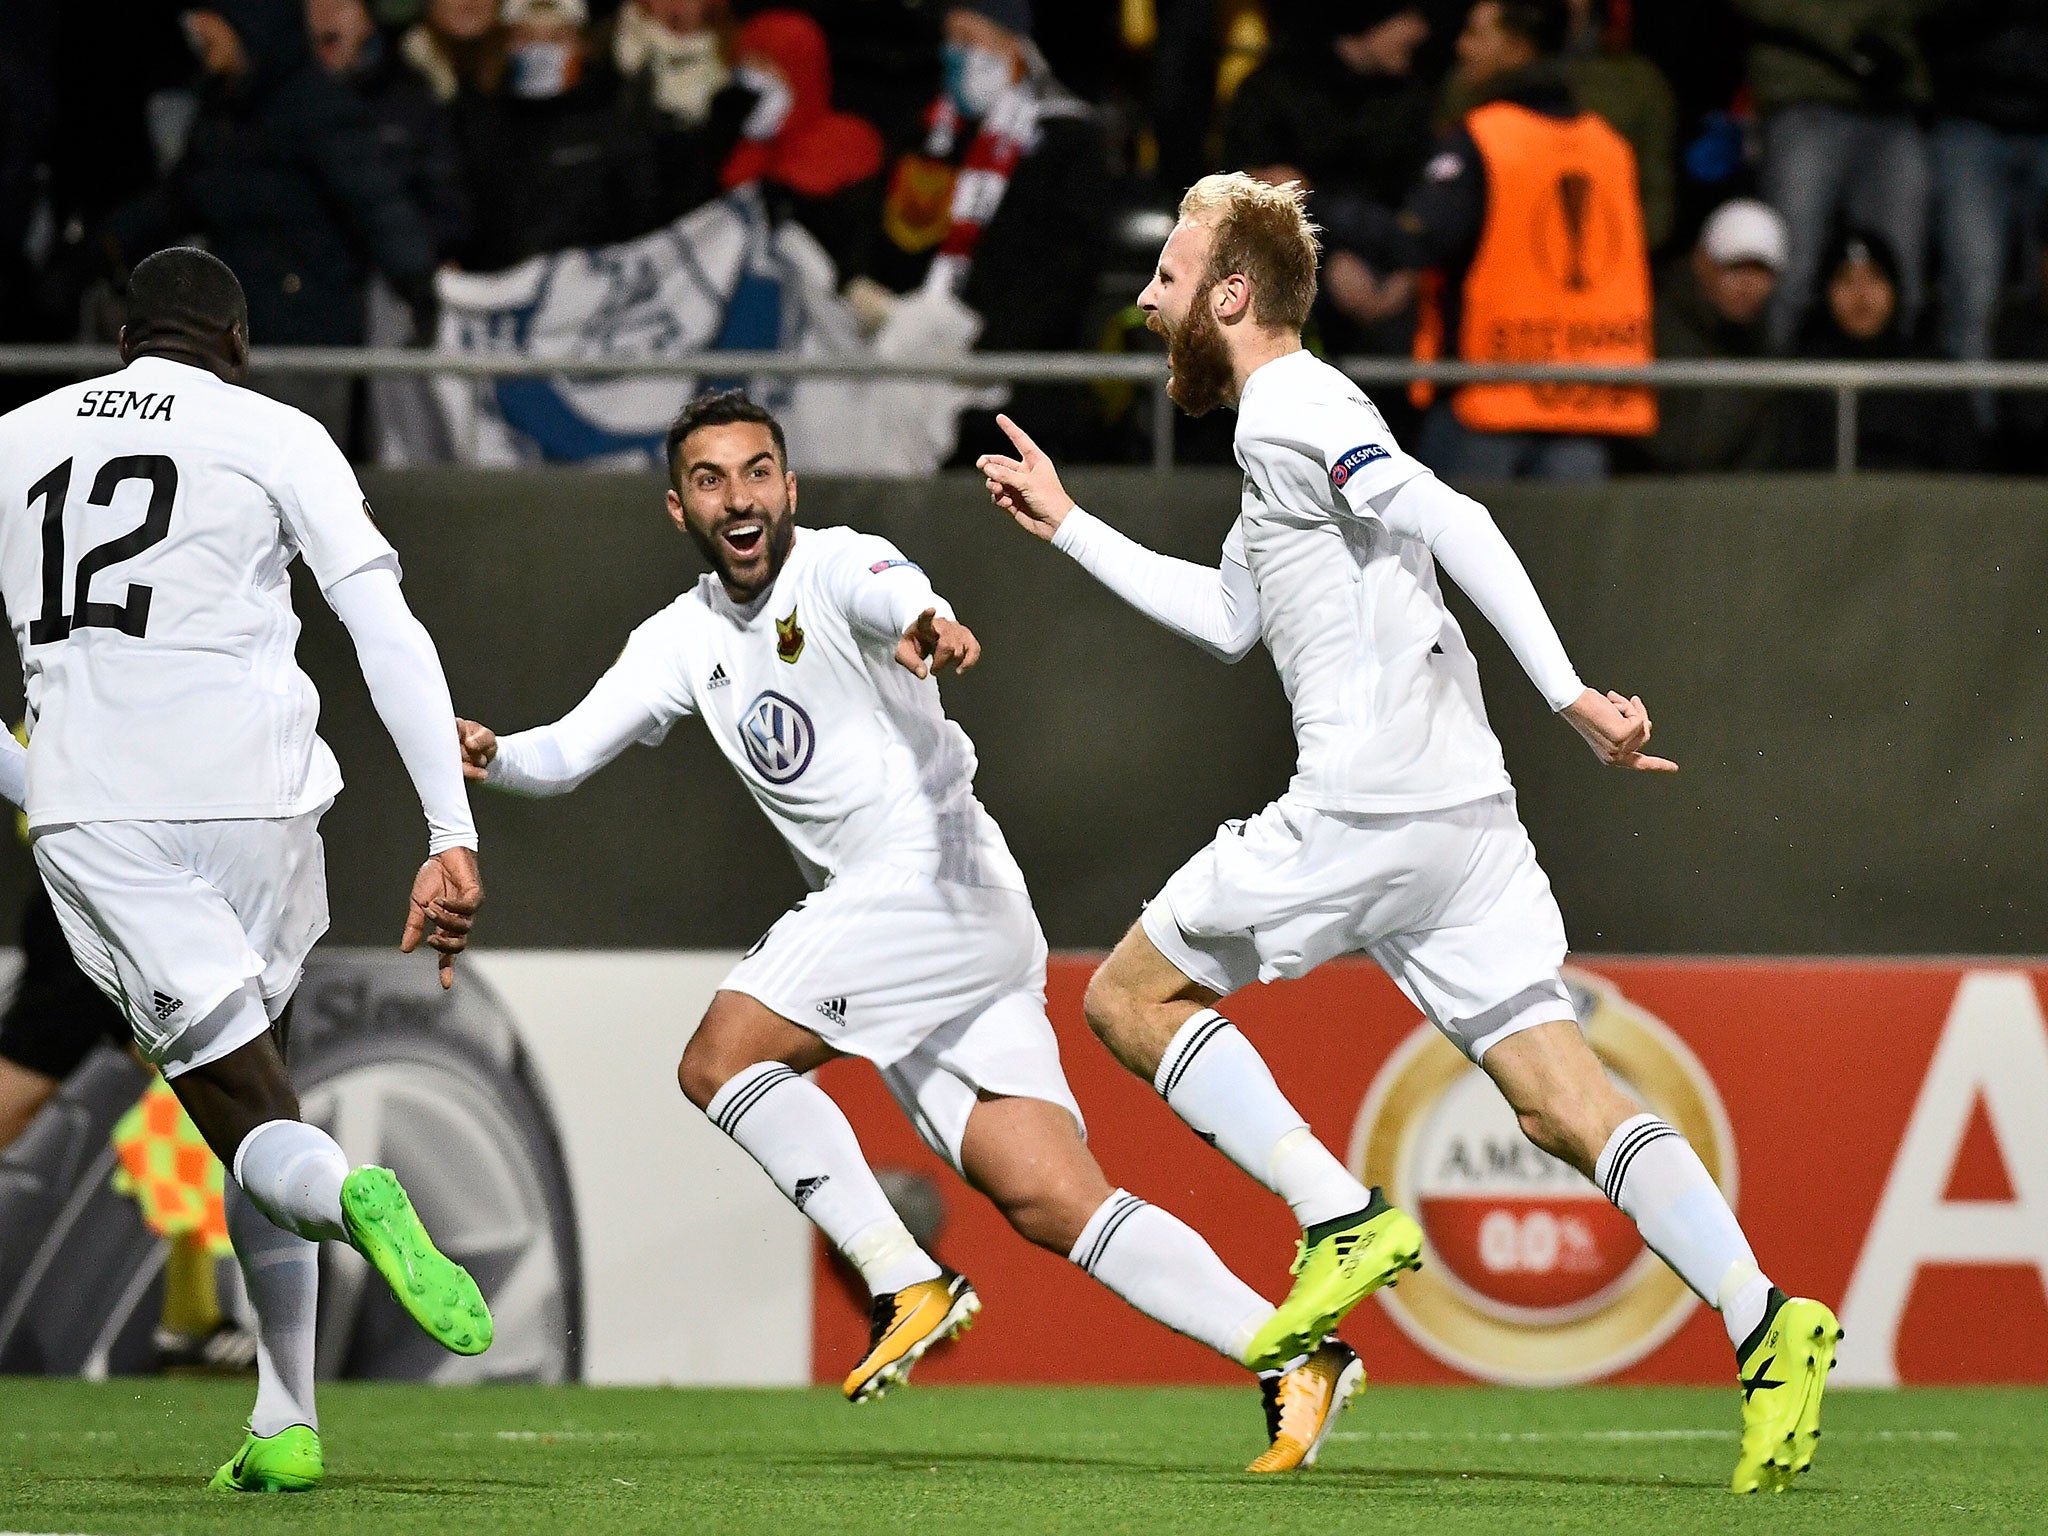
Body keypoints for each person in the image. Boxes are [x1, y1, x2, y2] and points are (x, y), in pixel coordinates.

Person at [976, 173, 1841, 1496]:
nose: (1146, 304)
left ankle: (1340, 1214)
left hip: (1369, 797)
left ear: (1229, 296)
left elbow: (1457, 515)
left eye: (1166, 278)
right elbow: (1227, 615)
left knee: (1128, 997)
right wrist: (1073, 526)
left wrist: (1570, 694)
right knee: (1564, 1105)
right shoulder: (1292, 423)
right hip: (1461, 820)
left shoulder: (1290, 407)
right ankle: (1767, 1321)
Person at [457, 389, 1359, 1475]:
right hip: (941, 923)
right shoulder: (679, 638)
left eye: (755, 473)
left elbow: (896, 596)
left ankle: (902, 1277)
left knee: (718, 1059)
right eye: (710, 480)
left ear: (789, 488)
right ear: (676, 508)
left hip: (925, 882)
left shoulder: (837, 564)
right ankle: (1291, 1356)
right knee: (1048, 1195)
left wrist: (928, 623)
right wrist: (497, 755)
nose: (737, 497)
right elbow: (565, 751)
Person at [0, 247, 489, 1492]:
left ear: (122, 339)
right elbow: (386, 627)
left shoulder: (15, 438)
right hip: (266, 807)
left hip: (109, 816)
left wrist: (40, 778)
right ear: (238, 339)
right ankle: (284, 1416)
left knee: (255, 1121)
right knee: (252, 1104)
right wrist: (450, 833)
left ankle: (354, 1195)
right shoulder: (276, 431)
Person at [99, 0, 440, 438]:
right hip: (229, 335)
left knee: (292, 469)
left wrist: (415, 282)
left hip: (305, 337)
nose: (195, 29)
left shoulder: (314, 106)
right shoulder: (222, 109)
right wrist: (104, 247)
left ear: (245, 23)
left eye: (207, 16)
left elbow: (374, 200)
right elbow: (179, 198)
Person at [1382, 0, 1658, 481]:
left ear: (1516, 48)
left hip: (1485, 401)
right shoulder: (1610, 145)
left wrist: (1329, 211)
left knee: (1455, 554)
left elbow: (1419, 240)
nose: (1460, 46)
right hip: (1584, 404)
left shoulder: (1483, 137)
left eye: (1475, 33)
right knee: (1570, 557)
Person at [849, 0, 1110, 459]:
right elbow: (894, 239)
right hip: (915, 356)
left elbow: (1061, 273)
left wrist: (980, 353)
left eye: (970, 41)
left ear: (1013, 46)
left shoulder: (1067, 141)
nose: (955, 54)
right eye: (950, 41)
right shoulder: (931, 136)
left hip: (1013, 373)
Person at [1222, 2, 1438, 360]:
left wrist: (1410, 276)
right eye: (1407, 15)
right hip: (1296, 293)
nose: (1421, 31)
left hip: (1398, 293)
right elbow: (1240, 198)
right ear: (1370, 20)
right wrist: (1325, 260)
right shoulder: (1272, 92)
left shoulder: (1412, 101)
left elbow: (1427, 207)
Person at [1732, 0, 1937, 352]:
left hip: (1893, 97)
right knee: (1790, 283)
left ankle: (1895, 407)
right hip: (1803, 89)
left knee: (1900, 287)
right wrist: (1847, 37)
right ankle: (1774, 405)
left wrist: (1883, 40)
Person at [450, 0, 659, 271]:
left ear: (582, 45)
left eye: (557, 37)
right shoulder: (477, 119)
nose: (541, 49)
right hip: (503, 289)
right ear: (507, 45)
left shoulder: (614, 117)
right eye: (526, 36)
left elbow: (642, 217)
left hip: (587, 292)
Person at [1926, 1, 2048, 425]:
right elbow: (1927, 20)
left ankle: (2033, 432)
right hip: (1969, 119)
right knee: (1974, 294)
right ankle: (1973, 436)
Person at [1783, 227, 1979, 471]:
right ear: (1826, 292)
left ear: (1894, 289)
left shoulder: (1934, 375)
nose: (1861, 295)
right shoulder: (1800, 376)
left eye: (1874, 277)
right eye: (1846, 279)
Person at [716, 9, 884, 277]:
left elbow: (855, 241)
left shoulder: (847, 144)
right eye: (747, 63)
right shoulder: (726, 142)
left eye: (767, 64)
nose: (753, 76)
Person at [1640, 197, 1787, 472]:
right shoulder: (1655, 326)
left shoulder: (1766, 345)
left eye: (1761, 271)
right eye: (1735, 267)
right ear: (1702, 263)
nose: (1748, 284)